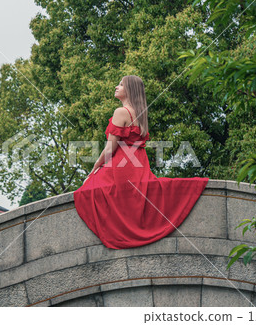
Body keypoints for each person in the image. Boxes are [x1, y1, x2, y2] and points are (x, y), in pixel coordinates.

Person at [73, 75, 209, 249]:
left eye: (121, 85)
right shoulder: (140, 114)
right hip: (138, 166)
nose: (116, 86)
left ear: (129, 90)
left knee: (86, 192)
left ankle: (119, 234)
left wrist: (93, 170)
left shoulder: (121, 112)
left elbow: (109, 149)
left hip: (121, 167)